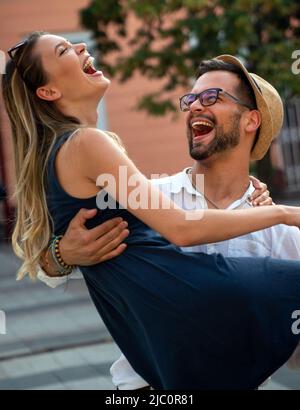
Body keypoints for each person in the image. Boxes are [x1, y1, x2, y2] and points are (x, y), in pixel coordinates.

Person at [3, 31, 300, 390]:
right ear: (48, 92)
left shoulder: (279, 234)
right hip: (148, 385)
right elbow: (45, 260)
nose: (194, 105)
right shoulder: (147, 190)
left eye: (211, 97)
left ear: (251, 120)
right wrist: (61, 253)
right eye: (191, 98)